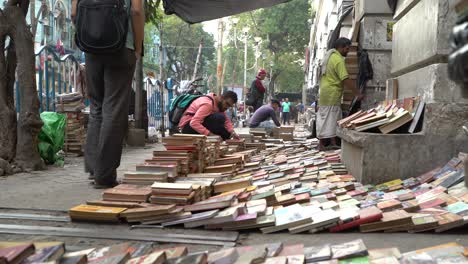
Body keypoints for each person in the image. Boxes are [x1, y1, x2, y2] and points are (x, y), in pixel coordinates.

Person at [72, 0, 144, 188]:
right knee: (114, 109)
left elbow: (74, 14)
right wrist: (137, 48)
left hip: (92, 48)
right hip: (121, 46)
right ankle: (104, 176)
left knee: (97, 107)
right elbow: (136, 11)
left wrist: (93, 35)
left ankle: (94, 168)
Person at [317, 37, 363, 151]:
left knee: (330, 117)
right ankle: (322, 144)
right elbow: (345, 79)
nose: (348, 52)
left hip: (325, 92)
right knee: (330, 117)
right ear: (341, 47)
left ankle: (331, 141)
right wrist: (357, 93)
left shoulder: (329, 57)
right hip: (332, 92)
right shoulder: (338, 59)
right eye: (347, 49)